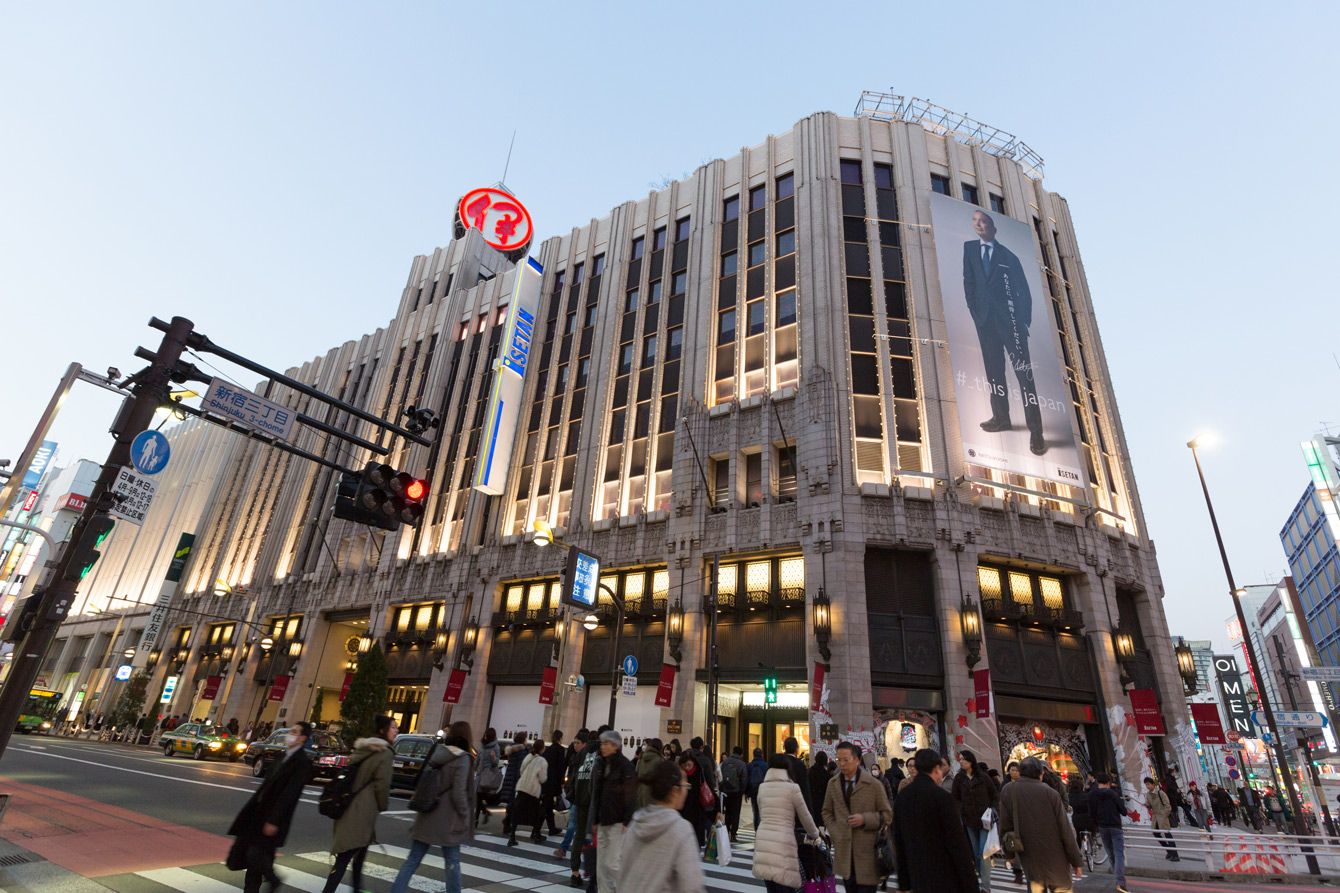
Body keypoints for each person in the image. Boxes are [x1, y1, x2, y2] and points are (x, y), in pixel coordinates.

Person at [961, 208, 1047, 456]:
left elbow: (1024, 292)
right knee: (994, 372)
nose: (979, 225)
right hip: (985, 321)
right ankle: (1001, 418)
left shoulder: (1009, 256)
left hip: (1011, 324)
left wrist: (1023, 322)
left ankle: (1036, 432)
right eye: (975, 221)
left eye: (983, 221)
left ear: (993, 228)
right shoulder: (969, 249)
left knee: (1024, 376)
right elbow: (969, 281)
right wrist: (975, 311)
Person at [389, 721, 477, 893]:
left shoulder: (438, 752)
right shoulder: (463, 758)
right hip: (448, 819)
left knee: (413, 859)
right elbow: (459, 793)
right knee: (452, 862)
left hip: (427, 812)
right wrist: (465, 815)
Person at [227, 722, 314, 893]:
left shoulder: (302, 763)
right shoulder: (282, 756)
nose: (290, 734)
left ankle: (273, 879)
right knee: (254, 859)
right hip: (258, 813)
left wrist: (274, 820)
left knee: (255, 855)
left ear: (302, 738)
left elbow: (289, 795)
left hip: (273, 818)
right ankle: (261, 884)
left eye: (294, 732)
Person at [324, 715, 396, 892]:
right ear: (383, 730)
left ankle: (356, 889)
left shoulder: (363, 748)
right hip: (363, 811)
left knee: (357, 855)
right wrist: (383, 805)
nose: (396, 731)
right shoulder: (385, 753)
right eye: (393, 727)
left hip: (348, 805)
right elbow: (383, 784)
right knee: (346, 856)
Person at [892, 748, 978, 893]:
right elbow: (957, 843)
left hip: (917, 876)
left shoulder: (902, 797)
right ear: (936, 769)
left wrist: (904, 883)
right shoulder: (942, 797)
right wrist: (970, 883)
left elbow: (899, 841)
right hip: (945, 875)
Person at [618, 759, 707, 892]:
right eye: (685, 786)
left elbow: (621, 873)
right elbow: (692, 886)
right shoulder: (681, 829)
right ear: (674, 791)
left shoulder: (636, 823)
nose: (686, 791)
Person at [999, 758, 1083, 893]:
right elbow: (1065, 829)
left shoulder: (1008, 790)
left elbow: (1005, 826)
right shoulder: (1051, 793)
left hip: (1029, 854)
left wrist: (1009, 854)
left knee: (1035, 887)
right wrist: (1076, 861)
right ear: (1041, 774)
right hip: (1056, 855)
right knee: (1062, 888)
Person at [822, 741, 893, 893]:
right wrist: (835, 832)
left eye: (846, 760)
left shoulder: (873, 784)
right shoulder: (833, 784)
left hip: (868, 854)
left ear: (857, 760)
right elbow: (826, 812)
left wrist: (865, 819)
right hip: (845, 854)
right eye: (838, 760)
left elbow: (887, 815)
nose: (842, 764)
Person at [755, 754, 823, 892]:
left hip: (763, 839)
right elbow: (805, 816)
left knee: (771, 885)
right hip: (783, 840)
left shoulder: (762, 787)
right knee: (785, 885)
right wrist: (815, 834)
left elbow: (761, 812)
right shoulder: (792, 788)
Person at [590, 729, 636, 893]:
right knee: (601, 865)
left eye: (606, 743)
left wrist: (627, 820)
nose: (602, 746)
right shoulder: (602, 764)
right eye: (602, 743)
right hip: (603, 819)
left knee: (613, 863)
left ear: (615, 746)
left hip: (618, 821)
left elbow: (631, 795)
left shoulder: (625, 766)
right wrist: (595, 819)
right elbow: (597, 793)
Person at [951, 748, 999, 891]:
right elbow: (955, 798)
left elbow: (994, 795)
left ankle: (986, 887)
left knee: (984, 852)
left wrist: (992, 809)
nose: (961, 762)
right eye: (960, 759)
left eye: (963, 759)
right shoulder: (959, 778)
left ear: (971, 760)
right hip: (969, 820)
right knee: (976, 853)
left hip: (985, 820)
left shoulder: (983, 777)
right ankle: (982, 879)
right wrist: (961, 811)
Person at [567, 732, 600, 887]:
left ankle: (575, 873)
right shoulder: (601, 753)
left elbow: (573, 775)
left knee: (579, 835)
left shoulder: (581, 754)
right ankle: (594, 875)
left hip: (580, 799)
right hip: (593, 801)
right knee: (596, 837)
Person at [1091, 773, 1128, 893]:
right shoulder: (1113, 794)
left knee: (1111, 854)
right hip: (1115, 826)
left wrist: (1096, 824)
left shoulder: (1092, 794)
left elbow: (1092, 813)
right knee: (1119, 854)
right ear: (1108, 782)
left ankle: (1117, 879)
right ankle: (1120, 882)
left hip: (1102, 827)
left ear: (1098, 782)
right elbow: (1123, 811)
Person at [556, 730, 590, 859]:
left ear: (584, 744)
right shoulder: (575, 756)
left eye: (578, 743)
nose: (575, 745)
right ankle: (566, 848)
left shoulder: (588, 759)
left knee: (575, 824)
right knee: (574, 824)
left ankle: (566, 848)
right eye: (574, 742)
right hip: (576, 795)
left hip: (583, 796)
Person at [509, 739, 549, 846]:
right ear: (542, 749)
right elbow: (542, 779)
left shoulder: (528, 756)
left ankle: (512, 836)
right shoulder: (542, 761)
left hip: (522, 787)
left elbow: (521, 771)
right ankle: (536, 834)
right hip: (532, 790)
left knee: (517, 812)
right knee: (538, 813)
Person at [677, 751, 714, 848]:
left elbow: (710, 787)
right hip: (683, 810)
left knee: (695, 841)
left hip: (697, 810)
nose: (687, 767)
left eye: (689, 765)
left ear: (693, 762)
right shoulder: (680, 774)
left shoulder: (700, 771)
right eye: (684, 765)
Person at [499, 731, 529, 838]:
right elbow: (521, 767)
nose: (527, 741)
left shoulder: (512, 750)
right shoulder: (522, 751)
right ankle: (508, 823)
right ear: (523, 740)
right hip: (516, 779)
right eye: (526, 739)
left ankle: (507, 823)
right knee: (515, 803)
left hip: (509, 777)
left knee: (511, 802)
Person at [1144, 777, 1179, 860]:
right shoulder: (1148, 794)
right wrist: (1147, 806)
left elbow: (1168, 806)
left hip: (1163, 816)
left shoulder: (1161, 793)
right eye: (1146, 785)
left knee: (1167, 834)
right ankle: (1169, 851)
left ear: (1153, 784)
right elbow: (1149, 805)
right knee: (1156, 833)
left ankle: (1175, 855)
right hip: (1155, 818)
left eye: (1148, 784)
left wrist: (1164, 815)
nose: (1147, 786)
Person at [720, 745, 748, 842]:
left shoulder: (725, 762)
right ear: (741, 754)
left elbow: (721, 776)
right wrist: (742, 791)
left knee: (728, 812)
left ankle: (726, 830)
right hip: (736, 792)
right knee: (736, 813)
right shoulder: (741, 764)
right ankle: (733, 834)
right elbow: (744, 779)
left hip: (726, 791)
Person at [476, 728, 503, 826]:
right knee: (477, 797)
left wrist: (493, 757)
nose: (485, 736)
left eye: (487, 735)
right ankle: (483, 813)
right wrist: (474, 766)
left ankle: (477, 818)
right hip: (480, 773)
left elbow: (496, 763)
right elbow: (478, 758)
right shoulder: (482, 745)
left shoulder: (496, 747)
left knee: (479, 796)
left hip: (487, 775)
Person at [543, 730, 567, 836]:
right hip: (554, 782)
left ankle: (551, 828)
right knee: (547, 806)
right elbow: (561, 767)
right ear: (560, 738)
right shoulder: (560, 750)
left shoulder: (548, 749)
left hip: (546, 781)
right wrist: (562, 782)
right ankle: (538, 829)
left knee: (547, 805)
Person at [781, 736, 811, 811]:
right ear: (796, 749)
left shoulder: (778, 762)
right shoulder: (799, 764)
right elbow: (804, 788)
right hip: (795, 804)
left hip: (781, 801)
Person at [635, 735, 665, 810]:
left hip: (640, 790)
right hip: (652, 792)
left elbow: (637, 772)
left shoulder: (642, 757)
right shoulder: (659, 759)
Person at [1068, 775, 1095, 856]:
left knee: (1079, 835)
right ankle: (1092, 843)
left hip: (1076, 818)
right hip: (1087, 818)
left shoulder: (1070, 796)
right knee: (1092, 830)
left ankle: (1078, 853)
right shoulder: (1085, 795)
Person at [809, 750, 834, 829]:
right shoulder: (826, 775)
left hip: (811, 800)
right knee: (821, 824)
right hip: (822, 801)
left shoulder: (809, 771)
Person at [747, 746, 769, 831]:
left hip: (753, 791)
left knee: (755, 810)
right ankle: (762, 828)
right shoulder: (766, 765)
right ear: (762, 755)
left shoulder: (749, 765)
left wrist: (747, 792)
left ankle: (756, 829)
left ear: (753, 755)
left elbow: (747, 779)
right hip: (763, 791)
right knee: (762, 810)